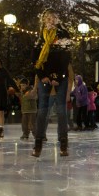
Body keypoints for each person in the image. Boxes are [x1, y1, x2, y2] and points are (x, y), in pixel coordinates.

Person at [31, 9, 74, 157]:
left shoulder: (64, 35)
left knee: (62, 112)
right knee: (42, 111)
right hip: (45, 78)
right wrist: (43, 76)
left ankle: (63, 143)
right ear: (43, 20)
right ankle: (38, 143)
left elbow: (66, 59)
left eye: (53, 17)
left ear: (57, 19)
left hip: (60, 78)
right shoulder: (40, 38)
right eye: (47, 17)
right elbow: (35, 60)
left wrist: (59, 77)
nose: (50, 20)